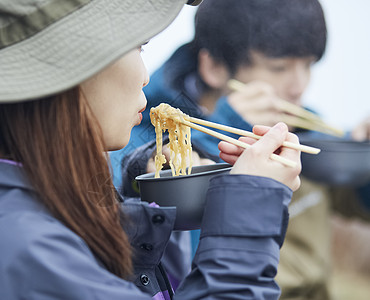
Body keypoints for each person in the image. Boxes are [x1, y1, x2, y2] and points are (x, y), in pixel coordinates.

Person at [0, 0, 303, 299]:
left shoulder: (19, 212)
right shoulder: (19, 252)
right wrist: (247, 217)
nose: (146, 75)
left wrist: (139, 195)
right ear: (71, 65)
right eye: (138, 46)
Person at [118, 0, 368, 299]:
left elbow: (359, 204)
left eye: (308, 65)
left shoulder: (300, 125)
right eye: (279, 67)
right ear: (213, 67)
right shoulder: (139, 139)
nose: (298, 86)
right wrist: (223, 130)